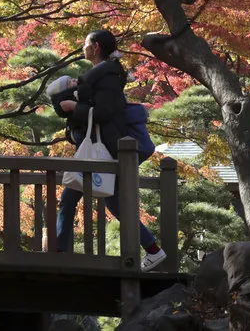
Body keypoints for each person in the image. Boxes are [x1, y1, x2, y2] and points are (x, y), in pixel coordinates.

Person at [48, 29, 166, 272]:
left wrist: (73, 106)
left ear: (97, 47)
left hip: (106, 147)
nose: (83, 47)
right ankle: (153, 250)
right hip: (104, 146)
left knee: (73, 196)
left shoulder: (107, 76)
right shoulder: (103, 75)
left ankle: (60, 252)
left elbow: (103, 112)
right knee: (99, 200)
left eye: (86, 43)